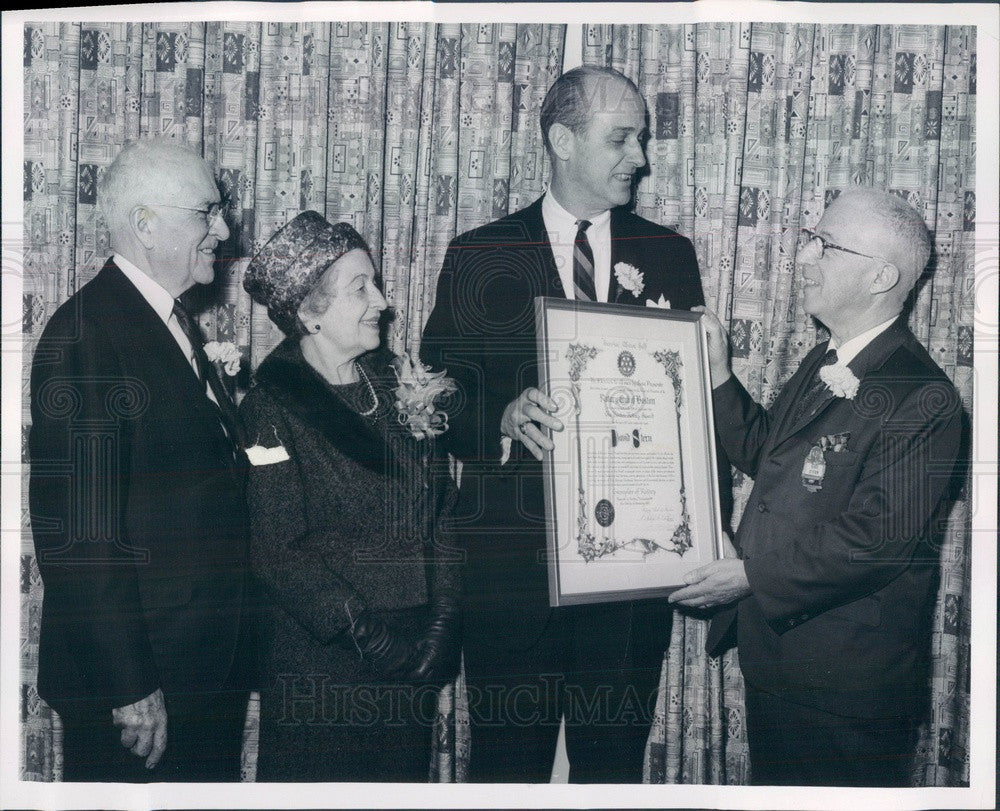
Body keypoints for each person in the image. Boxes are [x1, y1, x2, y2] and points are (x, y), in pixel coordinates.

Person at [420, 65, 727, 783]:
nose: (641, 157)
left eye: (642, 138)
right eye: (621, 138)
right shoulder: (479, 251)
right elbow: (436, 394)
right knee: (505, 771)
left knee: (612, 772)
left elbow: (693, 413)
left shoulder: (669, 255)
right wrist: (498, 415)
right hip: (512, 577)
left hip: (629, 585)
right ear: (561, 138)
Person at [670, 188, 964, 786]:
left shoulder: (926, 398)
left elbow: (872, 540)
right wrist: (720, 375)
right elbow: (770, 455)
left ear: (882, 276)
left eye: (825, 246)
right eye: (810, 240)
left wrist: (750, 574)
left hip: (847, 688)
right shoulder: (824, 360)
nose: (804, 257)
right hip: (782, 662)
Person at [28, 139, 257, 781]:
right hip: (139, 686)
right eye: (206, 212)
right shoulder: (87, 336)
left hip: (196, 668)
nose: (223, 229)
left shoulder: (166, 322)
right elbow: (81, 535)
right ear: (145, 224)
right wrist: (131, 687)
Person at [239, 211, 461, 782]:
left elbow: (442, 513)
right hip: (323, 667)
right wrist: (368, 634)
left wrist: (441, 624)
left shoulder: (398, 382)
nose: (383, 301)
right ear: (309, 312)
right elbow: (277, 549)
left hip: (412, 658)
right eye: (359, 288)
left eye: (376, 283)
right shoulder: (270, 406)